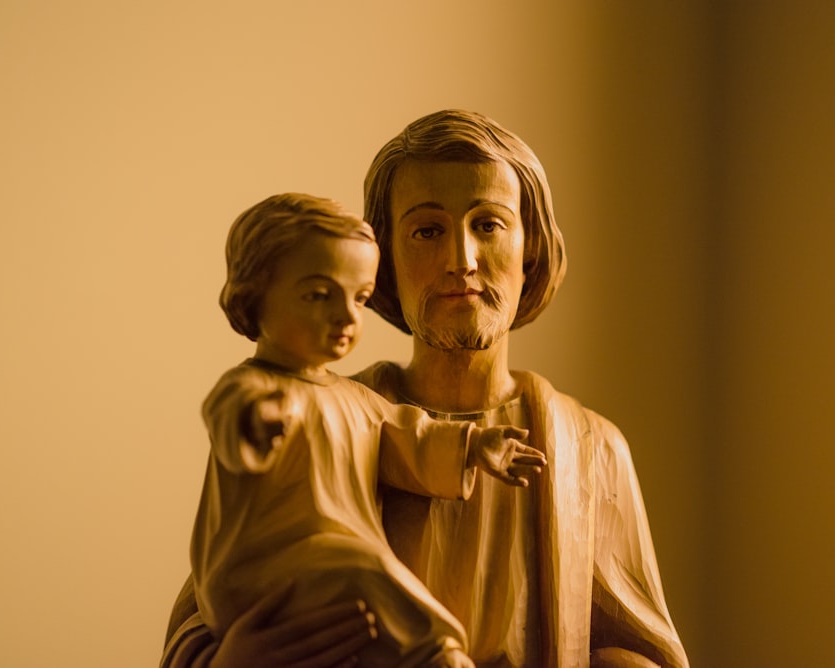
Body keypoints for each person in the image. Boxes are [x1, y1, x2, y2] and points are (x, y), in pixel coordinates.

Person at [162, 111, 689, 667]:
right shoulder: (316, 417)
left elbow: (638, 649)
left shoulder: (592, 451)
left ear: (530, 246)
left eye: (488, 224)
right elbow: (221, 598)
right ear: (385, 256)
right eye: (427, 231)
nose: (461, 261)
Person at [179, 192, 546, 668]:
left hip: (330, 582)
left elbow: (409, 433)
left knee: (360, 580)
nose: (347, 316)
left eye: (359, 298)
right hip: (262, 577)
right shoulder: (254, 389)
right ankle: (434, 654)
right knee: (365, 565)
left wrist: (475, 445)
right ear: (255, 295)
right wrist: (257, 424)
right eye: (318, 295)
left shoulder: (355, 399)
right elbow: (230, 413)